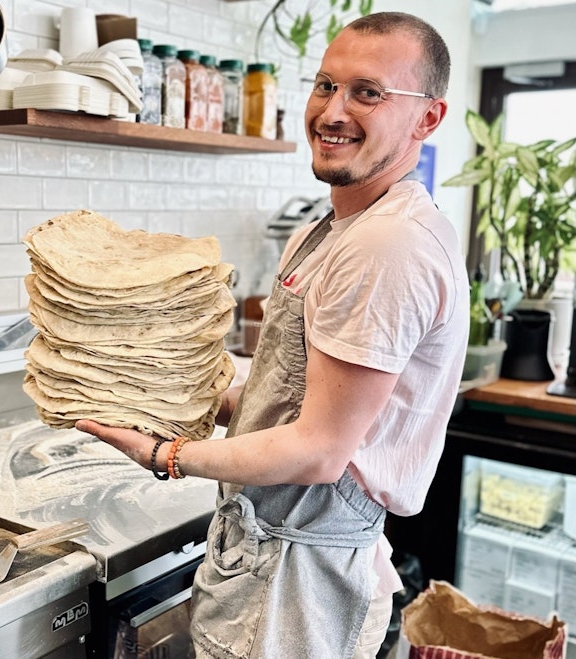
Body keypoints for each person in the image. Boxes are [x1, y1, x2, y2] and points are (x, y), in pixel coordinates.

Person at [76, 11, 468, 659]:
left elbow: (317, 450)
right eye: (323, 85)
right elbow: (297, 395)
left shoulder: (385, 244)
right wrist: (165, 392)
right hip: (269, 555)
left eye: (367, 92)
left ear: (426, 118)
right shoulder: (331, 229)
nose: (331, 111)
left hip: (298, 583)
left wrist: (164, 452)